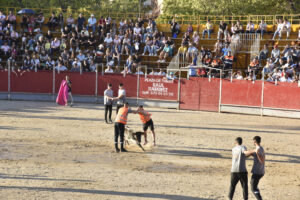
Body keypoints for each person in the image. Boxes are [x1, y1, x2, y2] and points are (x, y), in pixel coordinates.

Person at [244, 136, 265, 200]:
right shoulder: (260, 148)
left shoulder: (258, 149)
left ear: (254, 142)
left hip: (257, 172)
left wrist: (257, 153)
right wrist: (249, 152)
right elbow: (248, 155)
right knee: (254, 185)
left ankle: (259, 198)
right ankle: (259, 197)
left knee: (253, 187)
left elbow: (261, 160)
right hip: (260, 171)